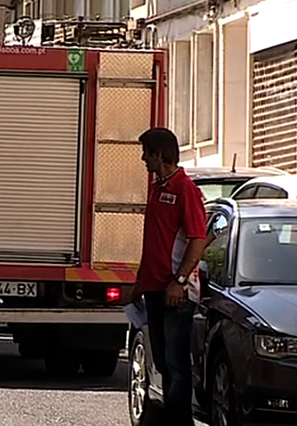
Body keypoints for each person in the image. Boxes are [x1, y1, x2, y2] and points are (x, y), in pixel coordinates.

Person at [129, 127, 206, 426]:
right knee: (161, 362)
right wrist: (140, 281)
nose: (143, 158)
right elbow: (155, 241)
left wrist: (181, 281)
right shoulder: (157, 187)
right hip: (153, 287)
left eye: (146, 152)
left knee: (175, 364)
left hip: (175, 293)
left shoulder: (185, 189)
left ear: (160, 154)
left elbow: (198, 238)